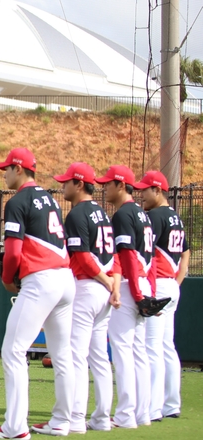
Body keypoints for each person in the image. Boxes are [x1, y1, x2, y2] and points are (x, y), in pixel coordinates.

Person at [0, 148, 74, 439]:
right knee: (62, 355)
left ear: (19, 169)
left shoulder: (18, 200)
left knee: (13, 350)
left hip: (42, 280)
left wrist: (8, 278)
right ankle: (61, 421)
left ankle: (16, 427)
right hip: (65, 280)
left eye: (7, 169)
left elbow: (12, 252)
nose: (4, 173)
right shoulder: (51, 199)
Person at [54, 163, 118, 433]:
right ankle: (102, 418)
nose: (63, 186)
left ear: (79, 184)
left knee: (77, 356)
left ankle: (77, 417)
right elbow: (113, 256)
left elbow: (81, 256)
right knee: (99, 357)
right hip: (105, 288)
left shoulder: (77, 214)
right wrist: (113, 284)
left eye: (67, 182)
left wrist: (105, 281)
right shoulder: (103, 214)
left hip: (88, 286)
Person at [95, 165, 156, 428]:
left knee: (122, 351)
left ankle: (125, 415)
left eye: (108, 183)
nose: (104, 187)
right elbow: (149, 258)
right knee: (138, 351)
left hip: (132, 286)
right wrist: (149, 292)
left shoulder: (122, 216)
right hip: (143, 283)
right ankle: (142, 413)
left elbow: (128, 256)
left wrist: (139, 294)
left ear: (121, 185)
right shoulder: (142, 214)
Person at [134, 171, 188, 421]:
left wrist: (159, 288)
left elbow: (143, 251)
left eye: (145, 189)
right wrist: (176, 283)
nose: (141, 193)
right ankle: (171, 404)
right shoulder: (175, 216)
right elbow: (186, 253)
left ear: (157, 190)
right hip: (171, 285)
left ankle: (153, 408)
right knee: (166, 346)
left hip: (160, 285)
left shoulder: (154, 216)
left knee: (151, 347)